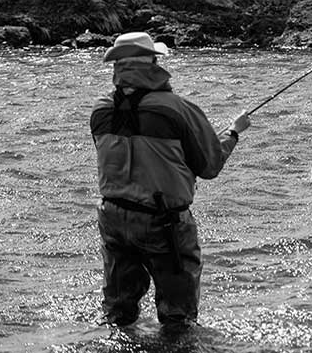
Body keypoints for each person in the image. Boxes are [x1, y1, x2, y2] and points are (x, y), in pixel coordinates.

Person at [89, 32, 250, 327]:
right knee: (178, 318)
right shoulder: (176, 107)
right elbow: (209, 165)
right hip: (163, 223)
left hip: (111, 217)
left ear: (118, 67)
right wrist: (233, 133)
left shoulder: (100, 109)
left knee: (118, 313)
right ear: (152, 62)